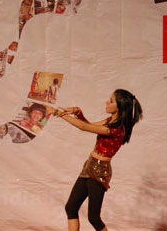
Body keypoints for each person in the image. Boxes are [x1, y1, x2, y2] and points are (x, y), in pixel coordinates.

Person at [46, 89, 143, 231]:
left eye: (111, 101)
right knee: (71, 207)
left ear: (119, 107)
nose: (107, 102)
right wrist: (78, 113)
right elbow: (89, 125)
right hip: (89, 166)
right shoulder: (110, 122)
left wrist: (58, 113)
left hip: (99, 172)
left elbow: (84, 127)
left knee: (94, 218)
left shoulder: (117, 129)